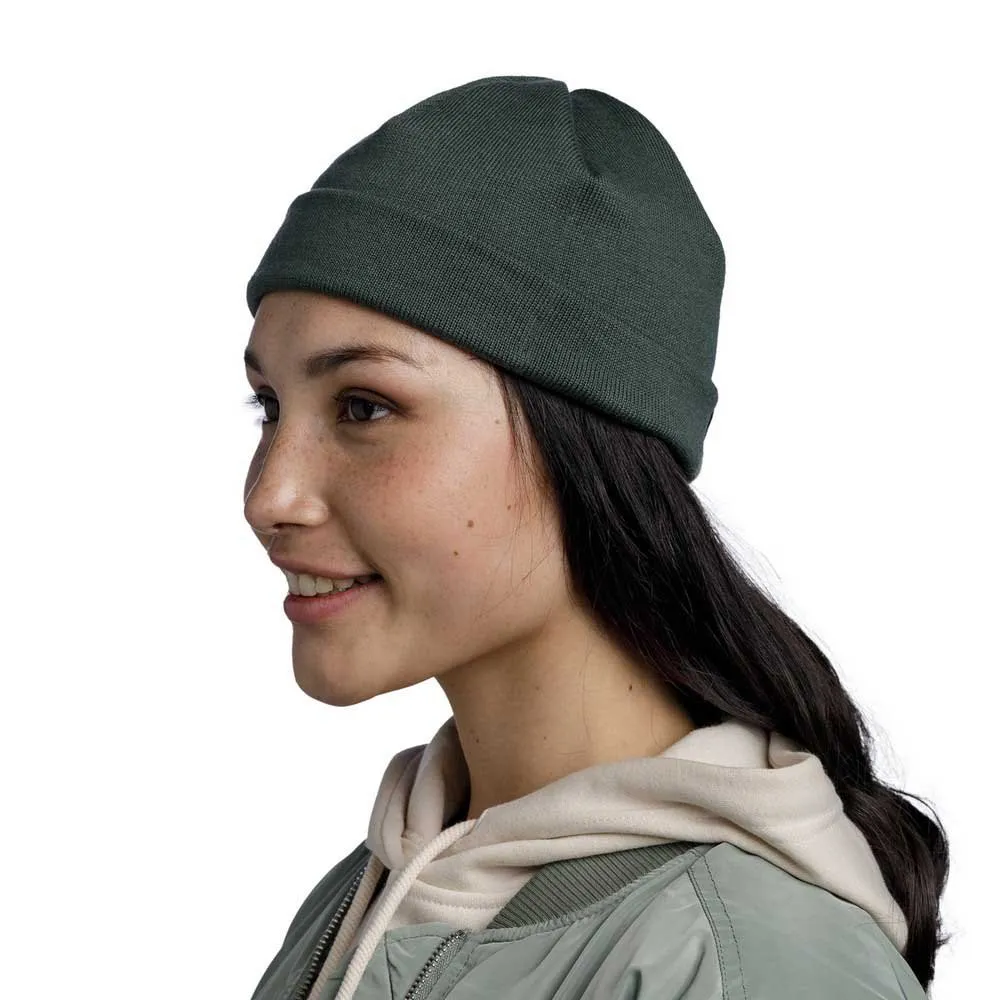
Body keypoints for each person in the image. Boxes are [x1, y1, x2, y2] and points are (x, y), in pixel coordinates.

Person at [240, 75, 949, 1000]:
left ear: (584, 438)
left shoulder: (746, 965)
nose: (270, 496)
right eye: (268, 407)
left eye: (364, 406)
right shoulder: (365, 899)